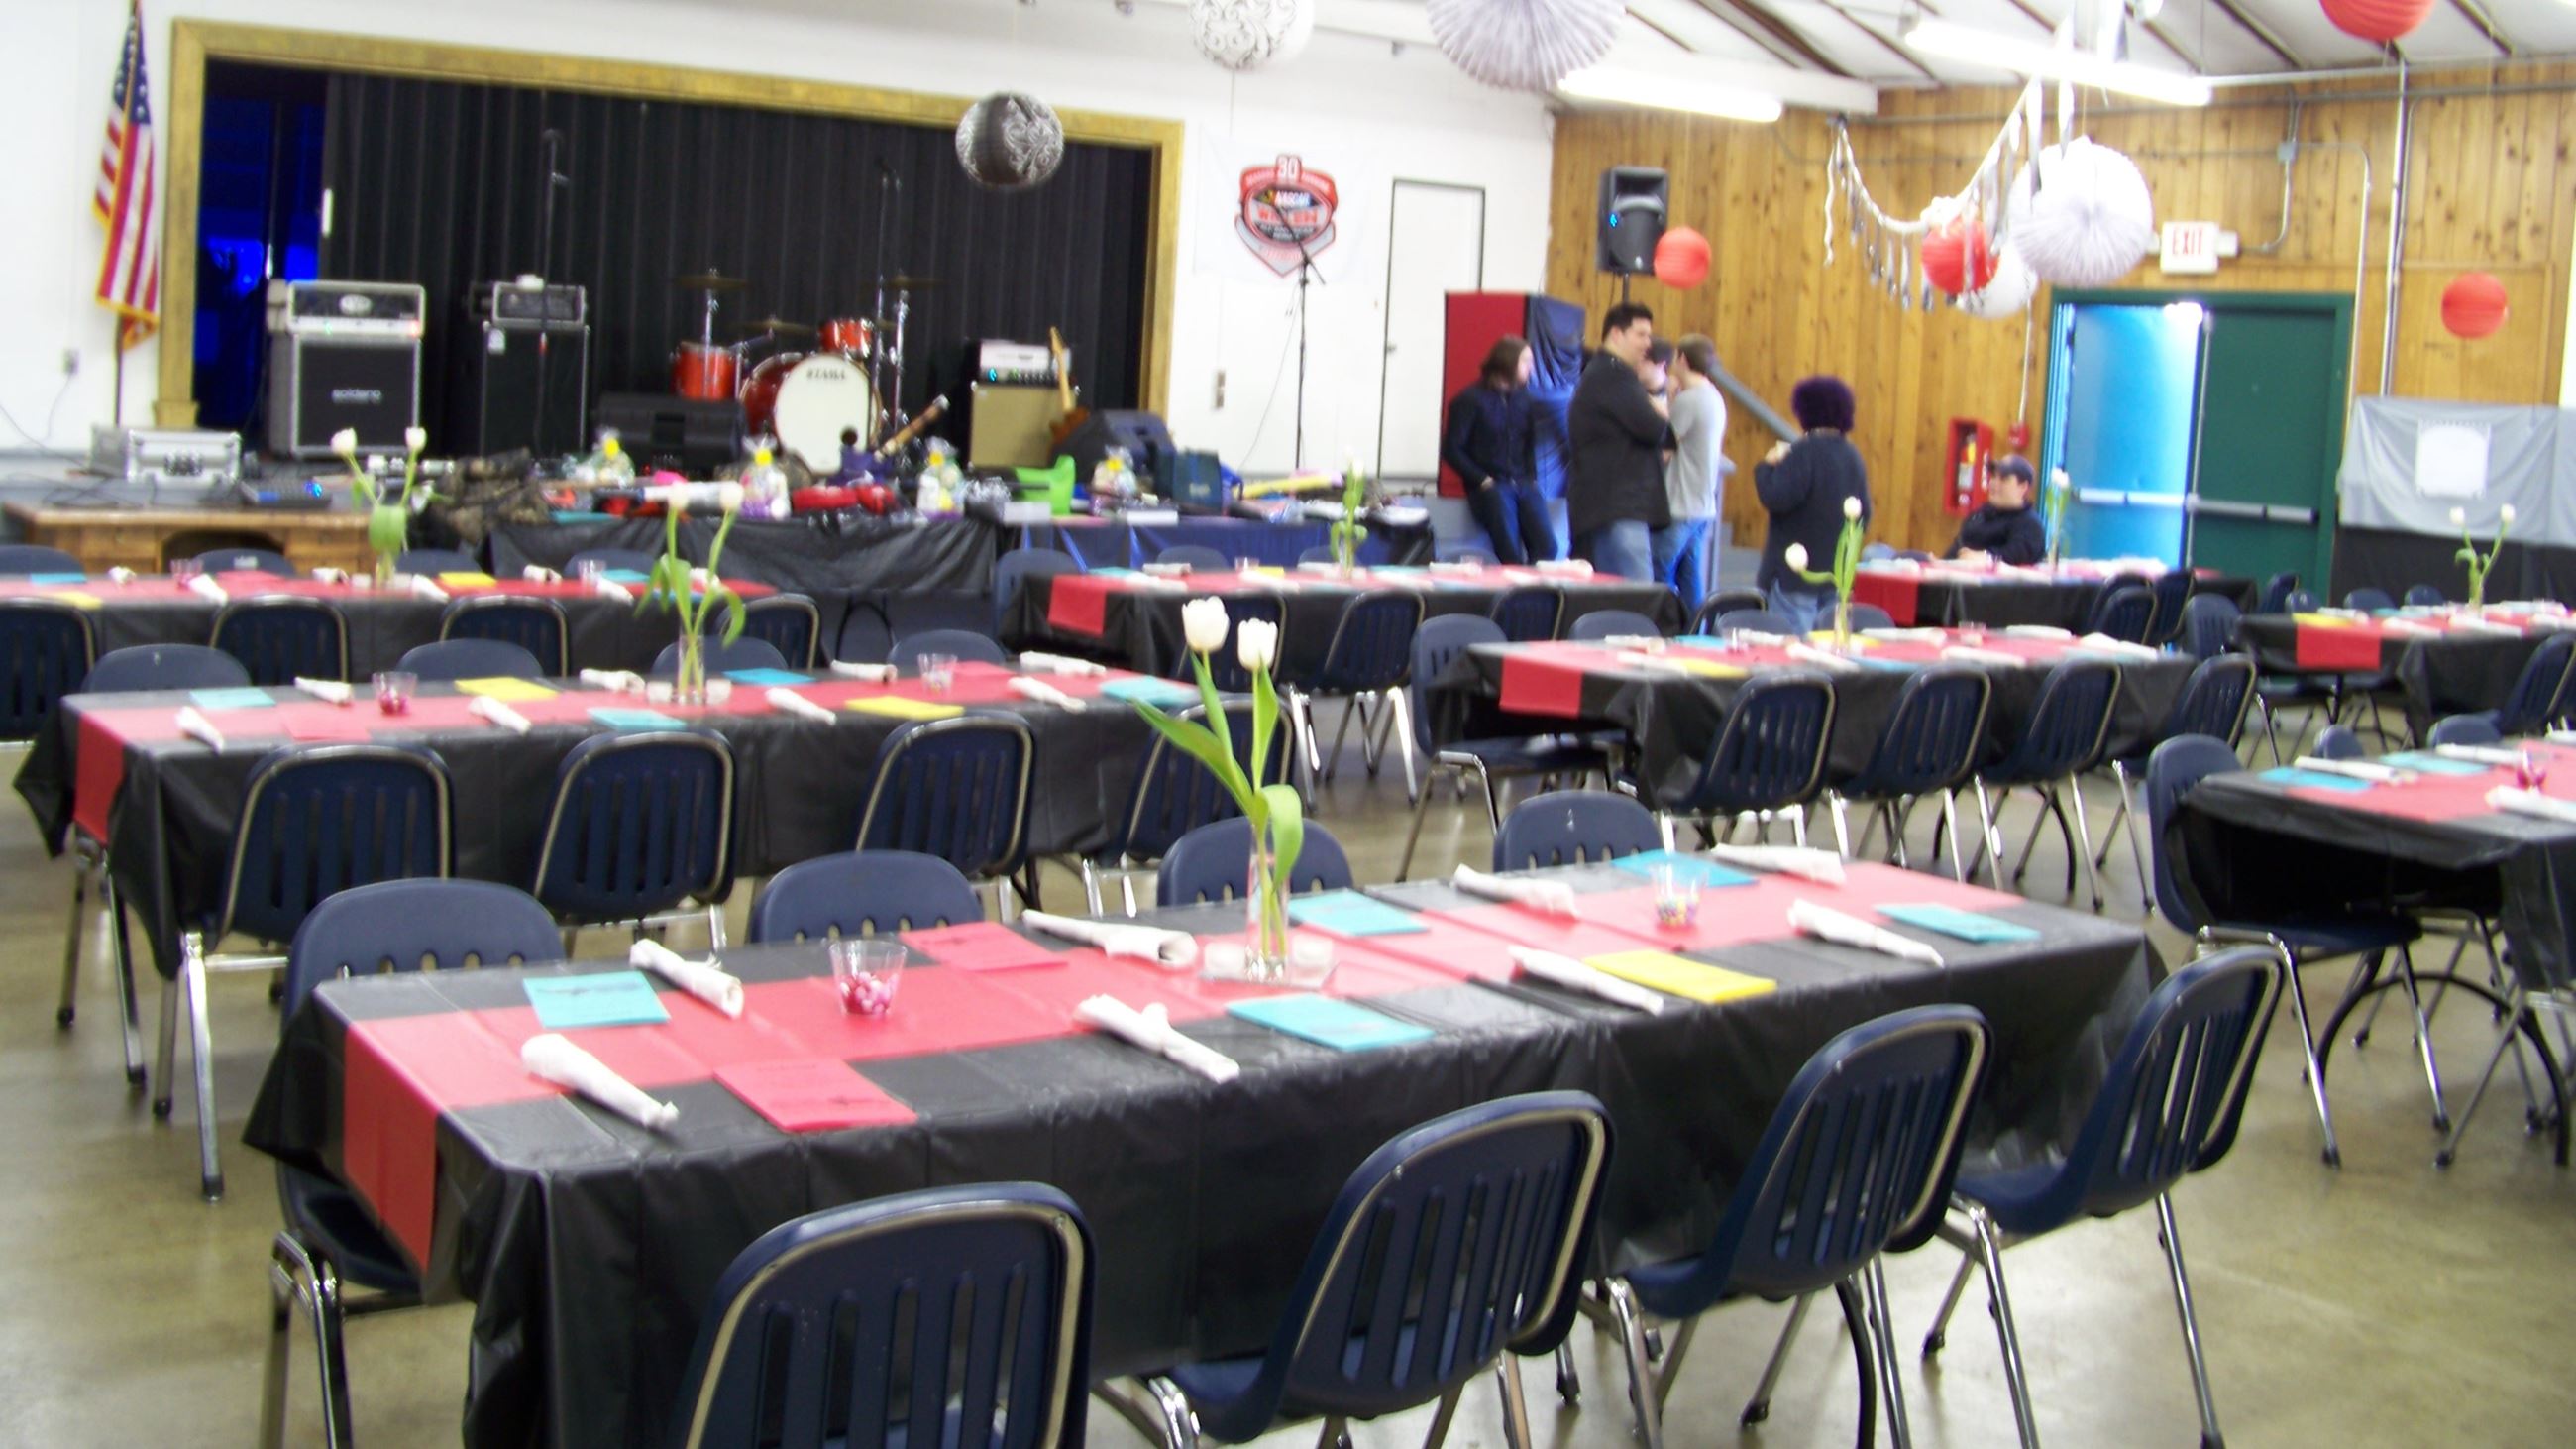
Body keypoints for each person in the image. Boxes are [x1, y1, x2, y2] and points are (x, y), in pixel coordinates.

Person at [1755, 375, 1870, 633]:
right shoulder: (1853, 456)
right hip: (1835, 575)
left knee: (1794, 659)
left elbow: (1777, 497)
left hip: (1796, 576)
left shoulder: (1804, 451)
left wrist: (1765, 468)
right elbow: (1865, 514)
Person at [1564, 303, 1668, 581]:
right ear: (1616, 334)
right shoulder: (1612, 376)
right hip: (1616, 511)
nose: (1648, 344)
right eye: (1641, 334)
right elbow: (1655, 428)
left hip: (1613, 508)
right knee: (1631, 605)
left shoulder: (1612, 375)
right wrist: (1657, 404)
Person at [1440, 336, 1559, 564]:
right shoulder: (1470, 400)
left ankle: (1536, 588)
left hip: (1522, 481)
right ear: (1508, 361)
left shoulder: (1524, 400)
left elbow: (1528, 443)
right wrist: (1481, 479)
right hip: (1491, 484)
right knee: (1510, 550)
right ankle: (1516, 589)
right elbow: (1452, 449)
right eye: (1526, 361)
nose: (1530, 367)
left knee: (1548, 546)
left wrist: (1532, 478)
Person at [1652, 335, 1727, 615]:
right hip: (1703, 505)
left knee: (1659, 574)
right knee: (1690, 578)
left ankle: (1665, 628)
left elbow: (1666, 448)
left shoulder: (1691, 400)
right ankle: (1696, 632)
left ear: (1682, 359)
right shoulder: (1714, 397)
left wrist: (1660, 404)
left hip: (1680, 505)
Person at [1948, 454, 2047, 566]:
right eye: (1994, 476)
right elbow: (1955, 551)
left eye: (2004, 479)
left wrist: (1986, 558)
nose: (1994, 483)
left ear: (2023, 486)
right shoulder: (1978, 516)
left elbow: (2015, 557)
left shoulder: (2030, 525)